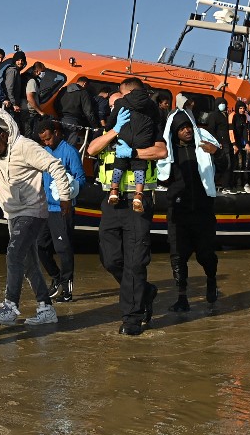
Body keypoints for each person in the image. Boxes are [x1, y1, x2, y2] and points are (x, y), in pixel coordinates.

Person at [0, 109, 69, 327]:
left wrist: (65, 197)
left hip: (32, 210)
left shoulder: (25, 147)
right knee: (28, 263)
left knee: (13, 253)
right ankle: (46, 308)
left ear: (3, 136)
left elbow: (54, 166)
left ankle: (10, 306)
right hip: (11, 212)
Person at [86, 77, 169, 336]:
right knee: (110, 259)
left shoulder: (148, 124)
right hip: (111, 201)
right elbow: (91, 149)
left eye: (118, 103)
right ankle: (144, 292)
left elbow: (161, 152)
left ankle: (132, 317)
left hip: (137, 200)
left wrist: (132, 153)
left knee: (135, 261)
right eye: (114, 105)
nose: (115, 107)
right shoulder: (112, 127)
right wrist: (114, 131)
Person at [157, 109, 221, 312]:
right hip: (178, 210)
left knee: (206, 255)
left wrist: (216, 153)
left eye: (188, 127)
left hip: (203, 210)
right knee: (178, 256)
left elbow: (225, 166)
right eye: (181, 128)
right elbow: (162, 177)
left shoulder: (203, 148)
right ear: (175, 131)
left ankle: (211, 279)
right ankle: (182, 296)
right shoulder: (168, 153)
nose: (186, 131)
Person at [35, 119, 85, 302]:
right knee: (40, 246)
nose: (46, 143)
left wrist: (69, 189)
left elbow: (81, 178)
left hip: (63, 208)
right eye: (43, 140)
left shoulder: (69, 152)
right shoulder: (45, 152)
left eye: (48, 139)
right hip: (46, 208)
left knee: (63, 248)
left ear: (56, 132)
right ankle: (56, 277)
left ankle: (67, 289)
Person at [107, 78, 161, 213]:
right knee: (140, 168)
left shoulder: (121, 102)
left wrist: (114, 126)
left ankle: (114, 190)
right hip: (143, 142)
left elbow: (110, 123)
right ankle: (138, 195)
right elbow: (157, 122)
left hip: (124, 138)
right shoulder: (152, 105)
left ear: (129, 91)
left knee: (118, 165)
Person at [56, 76, 99, 150]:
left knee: (60, 145)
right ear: (84, 84)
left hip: (60, 120)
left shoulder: (64, 89)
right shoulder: (83, 92)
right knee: (70, 147)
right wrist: (94, 126)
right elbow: (88, 112)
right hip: (73, 122)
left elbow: (55, 103)